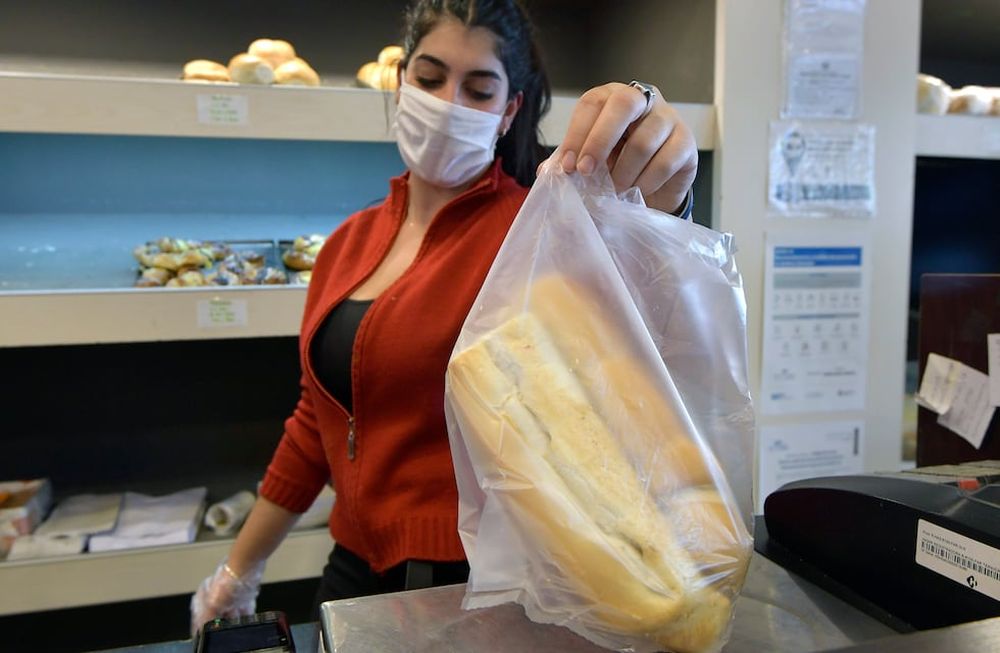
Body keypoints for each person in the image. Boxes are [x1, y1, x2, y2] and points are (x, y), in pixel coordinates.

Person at [190, 0, 698, 634]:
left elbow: (636, 306)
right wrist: (239, 569)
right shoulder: (348, 243)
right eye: (429, 78)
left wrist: (666, 198)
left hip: (474, 585)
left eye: (478, 89)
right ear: (401, 81)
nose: (447, 102)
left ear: (508, 111)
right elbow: (316, 422)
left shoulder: (536, 237)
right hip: (351, 571)